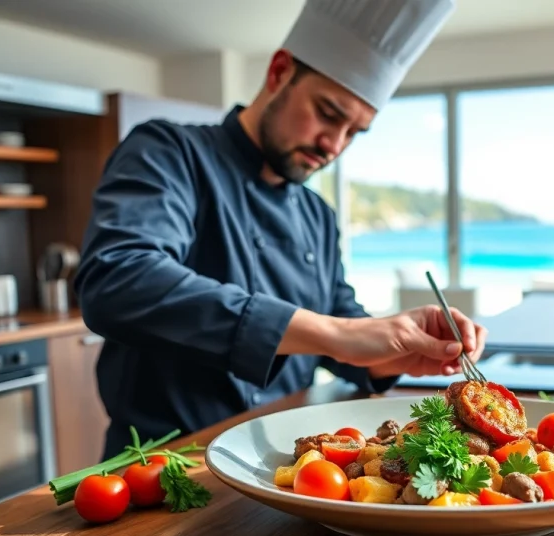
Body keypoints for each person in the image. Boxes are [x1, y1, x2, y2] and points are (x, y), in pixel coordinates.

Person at [74, 0, 486, 460]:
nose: (334, 145)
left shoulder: (316, 213)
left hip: (281, 464)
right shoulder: (169, 152)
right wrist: (338, 334)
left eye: (354, 132)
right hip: (166, 467)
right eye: (329, 113)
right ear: (279, 72)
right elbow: (118, 280)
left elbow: (338, 322)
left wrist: (398, 350)